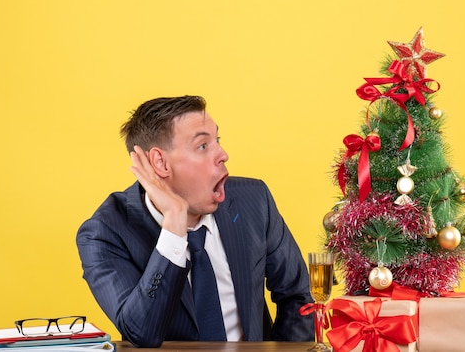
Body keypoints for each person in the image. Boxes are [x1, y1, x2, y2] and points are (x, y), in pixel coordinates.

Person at [76, 95, 314, 347]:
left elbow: (297, 297)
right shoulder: (104, 232)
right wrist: (174, 229)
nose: (223, 155)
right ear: (160, 162)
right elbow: (140, 333)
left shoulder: (254, 201)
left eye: (217, 141)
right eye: (203, 146)